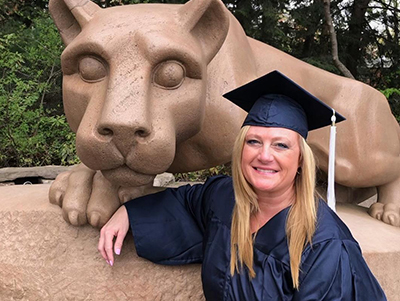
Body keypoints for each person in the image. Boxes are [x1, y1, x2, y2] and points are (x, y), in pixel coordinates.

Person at [98, 70, 387, 300]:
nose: (264, 155)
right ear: (241, 149)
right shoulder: (225, 197)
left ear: (301, 160)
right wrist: (129, 213)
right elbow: (187, 201)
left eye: (281, 145)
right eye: (253, 141)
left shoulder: (326, 246)